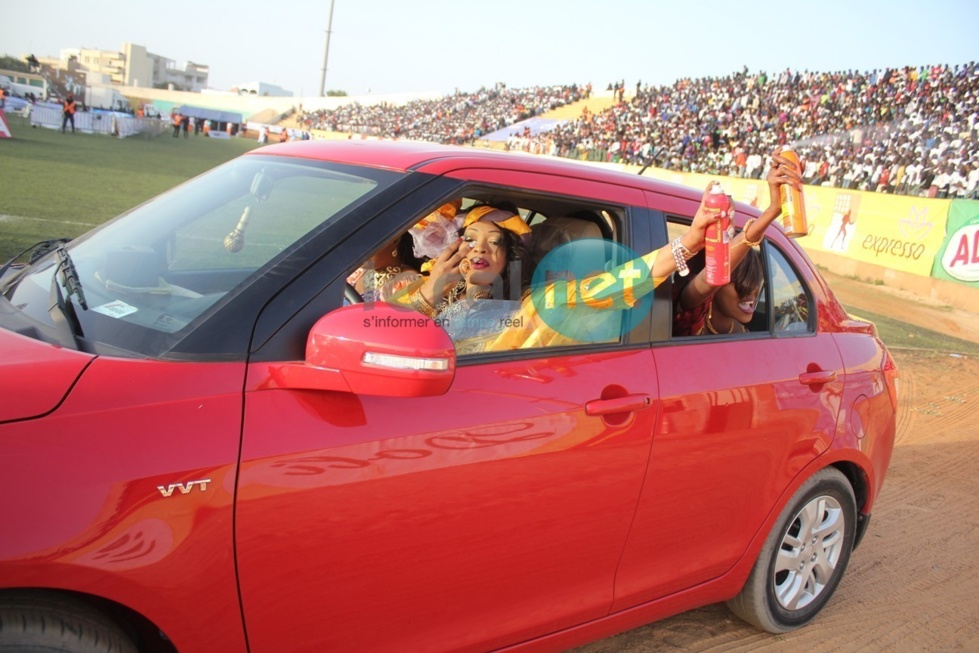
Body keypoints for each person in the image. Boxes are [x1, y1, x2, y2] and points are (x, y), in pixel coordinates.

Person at [672, 148, 803, 337]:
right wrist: (772, 211)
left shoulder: (745, 334)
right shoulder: (689, 315)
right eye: (738, 283)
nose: (751, 292)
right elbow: (711, 277)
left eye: (754, 280)